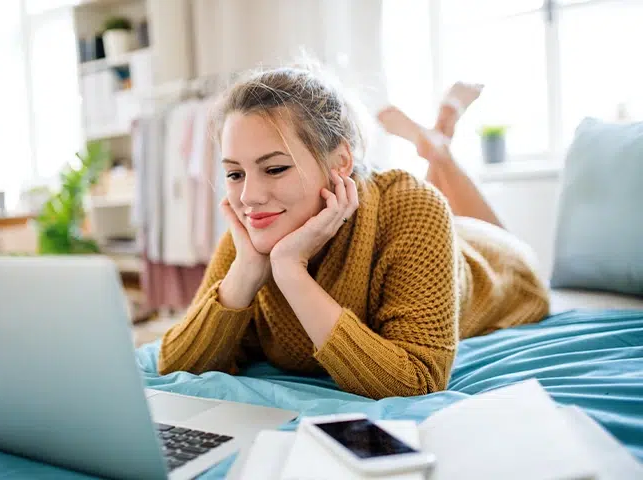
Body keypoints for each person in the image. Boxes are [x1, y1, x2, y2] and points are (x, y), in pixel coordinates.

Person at [157, 66, 550, 400]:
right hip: (411, 227)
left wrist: (291, 272)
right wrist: (246, 271)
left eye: (275, 168)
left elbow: (418, 381)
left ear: (341, 161)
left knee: (442, 203)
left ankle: (438, 146)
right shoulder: (255, 228)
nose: (249, 197)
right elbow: (175, 366)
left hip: (496, 265)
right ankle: (436, 142)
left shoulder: (415, 207)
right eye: (234, 173)